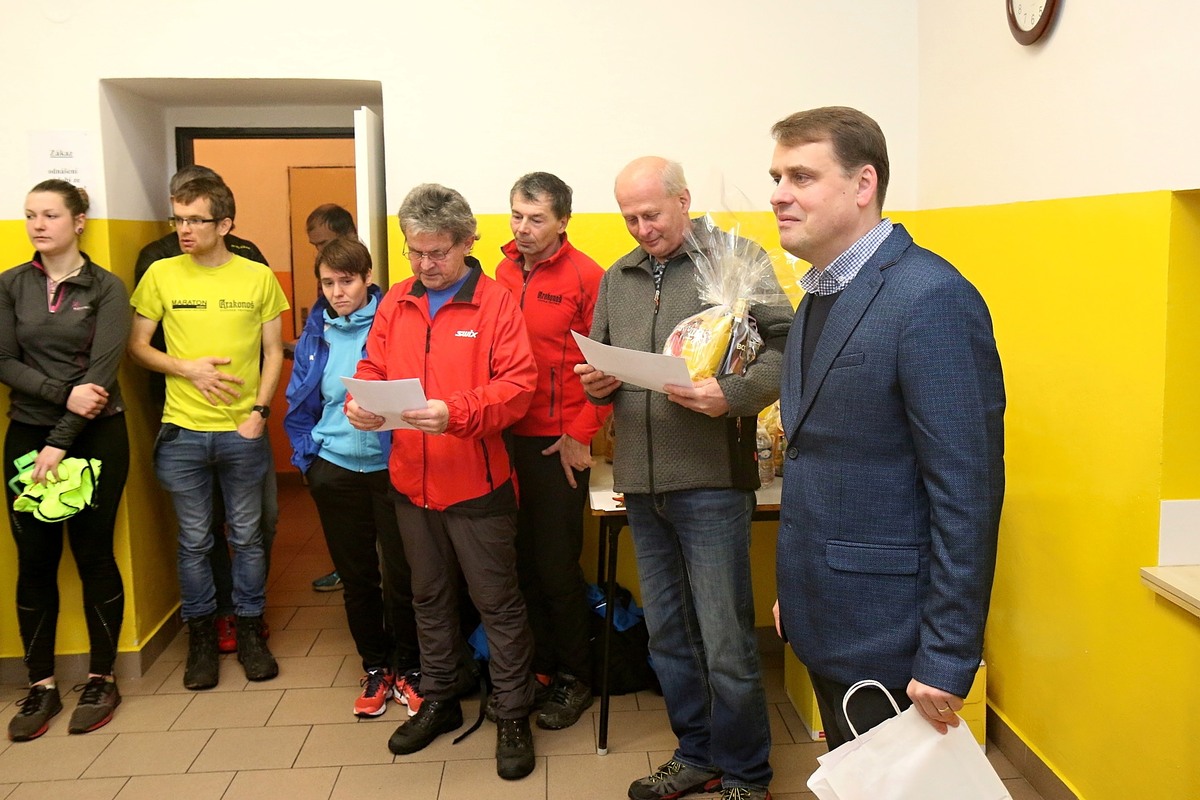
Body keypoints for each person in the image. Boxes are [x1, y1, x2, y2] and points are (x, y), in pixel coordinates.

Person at [769, 106, 1005, 750]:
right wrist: (798, 589)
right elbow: (821, 458)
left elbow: (967, 493)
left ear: (863, 184)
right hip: (827, 613)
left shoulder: (930, 297)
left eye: (801, 177)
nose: (779, 194)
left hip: (893, 633)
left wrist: (947, 653)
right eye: (777, 178)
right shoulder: (820, 292)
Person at [576, 157, 792, 800]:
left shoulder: (736, 258)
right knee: (668, 637)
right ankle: (697, 754)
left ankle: (747, 772)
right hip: (641, 485)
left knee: (726, 640)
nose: (642, 229)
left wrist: (733, 394)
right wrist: (596, 383)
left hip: (712, 482)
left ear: (683, 200)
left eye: (652, 214)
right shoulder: (618, 277)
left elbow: (788, 349)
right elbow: (600, 363)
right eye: (630, 219)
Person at [347, 183, 538, 780]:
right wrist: (362, 403)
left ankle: (512, 712)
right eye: (415, 252)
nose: (425, 264)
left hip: (478, 486)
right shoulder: (396, 300)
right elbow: (372, 366)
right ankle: (440, 697)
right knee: (427, 599)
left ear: (467, 243)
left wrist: (455, 413)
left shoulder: (497, 303)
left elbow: (517, 388)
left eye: (437, 252)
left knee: (497, 604)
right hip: (412, 483)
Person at [129, 176, 288, 690]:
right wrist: (186, 369)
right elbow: (137, 346)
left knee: (248, 538)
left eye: (196, 220)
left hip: (242, 431)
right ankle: (201, 638)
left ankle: (249, 631)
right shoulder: (160, 273)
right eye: (179, 219)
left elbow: (273, 352)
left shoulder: (257, 276)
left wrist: (259, 413)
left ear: (225, 225)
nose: (184, 229)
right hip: (183, 432)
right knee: (195, 541)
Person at [1, 180, 131, 740]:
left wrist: (59, 441)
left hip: (97, 437)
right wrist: (59, 397)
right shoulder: (10, 285)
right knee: (34, 560)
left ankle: (102, 678)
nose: (38, 224)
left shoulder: (107, 288)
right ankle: (41, 685)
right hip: (27, 438)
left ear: (78, 221)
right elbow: (3, 359)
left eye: (50, 214)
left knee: (93, 554)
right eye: (30, 215)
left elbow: (99, 377)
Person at [284, 236, 418, 717]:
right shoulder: (315, 333)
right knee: (359, 578)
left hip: (391, 470)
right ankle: (376, 667)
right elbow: (300, 401)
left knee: (403, 575)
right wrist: (310, 461)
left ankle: (411, 669)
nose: (338, 292)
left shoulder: (395, 321)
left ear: (367, 279)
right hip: (335, 469)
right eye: (328, 283)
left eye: (347, 281)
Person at [494, 172, 609, 730]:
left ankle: (574, 676)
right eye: (517, 215)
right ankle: (536, 668)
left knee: (556, 566)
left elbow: (605, 368)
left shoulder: (588, 276)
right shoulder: (498, 271)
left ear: (563, 221)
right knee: (515, 563)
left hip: (556, 443)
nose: (523, 228)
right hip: (500, 437)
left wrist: (581, 433)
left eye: (536, 218)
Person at [303, 203, 358, 595]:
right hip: (330, 451)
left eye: (323, 243)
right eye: (314, 246)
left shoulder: (381, 305)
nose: (319, 252)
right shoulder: (322, 306)